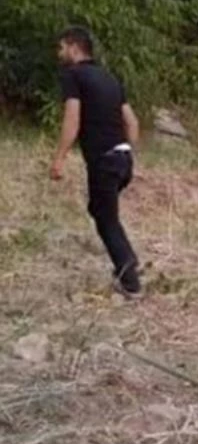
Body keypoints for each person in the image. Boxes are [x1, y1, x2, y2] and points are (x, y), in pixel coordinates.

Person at [50, 26, 143, 299]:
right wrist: (127, 151)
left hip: (103, 160)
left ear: (74, 47)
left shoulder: (73, 75)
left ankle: (130, 280)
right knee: (101, 210)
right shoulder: (110, 78)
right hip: (123, 159)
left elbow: (72, 119)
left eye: (61, 47)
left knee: (105, 219)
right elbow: (132, 122)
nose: (59, 53)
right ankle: (128, 260)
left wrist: (59, 158)